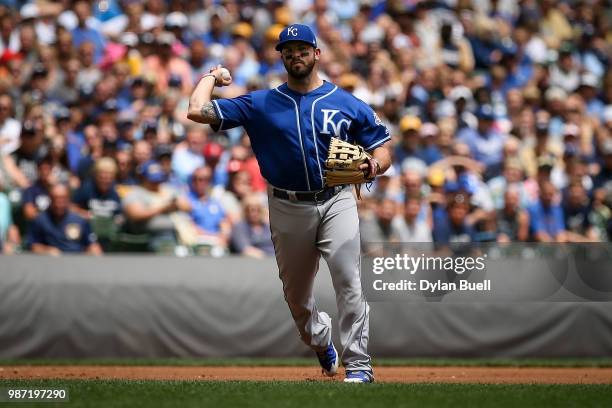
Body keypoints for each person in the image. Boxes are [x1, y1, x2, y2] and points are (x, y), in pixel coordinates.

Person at [187, 24, 391, 383]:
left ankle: (358, 364)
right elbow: (197, 110)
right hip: (287, 204)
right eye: (288, 49)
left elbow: (383, 149)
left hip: (337, 199)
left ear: (316, 54)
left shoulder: (345, 102)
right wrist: (212, 75)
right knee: (297, 297)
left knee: (349, 282)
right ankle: (320, 340)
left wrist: (373, 165)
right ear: (282, 57)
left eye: (302, 48)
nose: (295, 54)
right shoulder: (261, 103)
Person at [26, 183, 102, 255]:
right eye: (55, 199)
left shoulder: (80, 220)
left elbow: (93, 246)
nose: (59, 204)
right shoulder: (40, 220)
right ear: (50, 199)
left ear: (68, 199)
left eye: (62, 199)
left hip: (77, 261)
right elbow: (33, 246)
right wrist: (47, 251)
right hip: (51, 262)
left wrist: (90, 254)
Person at [230, 194, 274, 258]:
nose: (254, 213)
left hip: (275, 261)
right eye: (250, 210)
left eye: (258, 210)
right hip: (254, 262)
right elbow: (245, 249)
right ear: (245, 211)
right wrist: (267, 257)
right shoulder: (240, 227)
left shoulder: (269, 227)